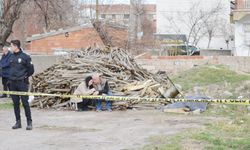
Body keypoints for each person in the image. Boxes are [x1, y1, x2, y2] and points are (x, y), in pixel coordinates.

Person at [8, 40, 34, 130]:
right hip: (12, 83)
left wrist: (25, 76)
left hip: (22, 82)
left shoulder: (25, 57)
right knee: (15, 103)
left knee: (25, 103)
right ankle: (18, 122)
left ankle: (29, 122)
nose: (10, 48)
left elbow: (31, 70)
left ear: (16, 46)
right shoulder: (10, 57)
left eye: (11, 46)